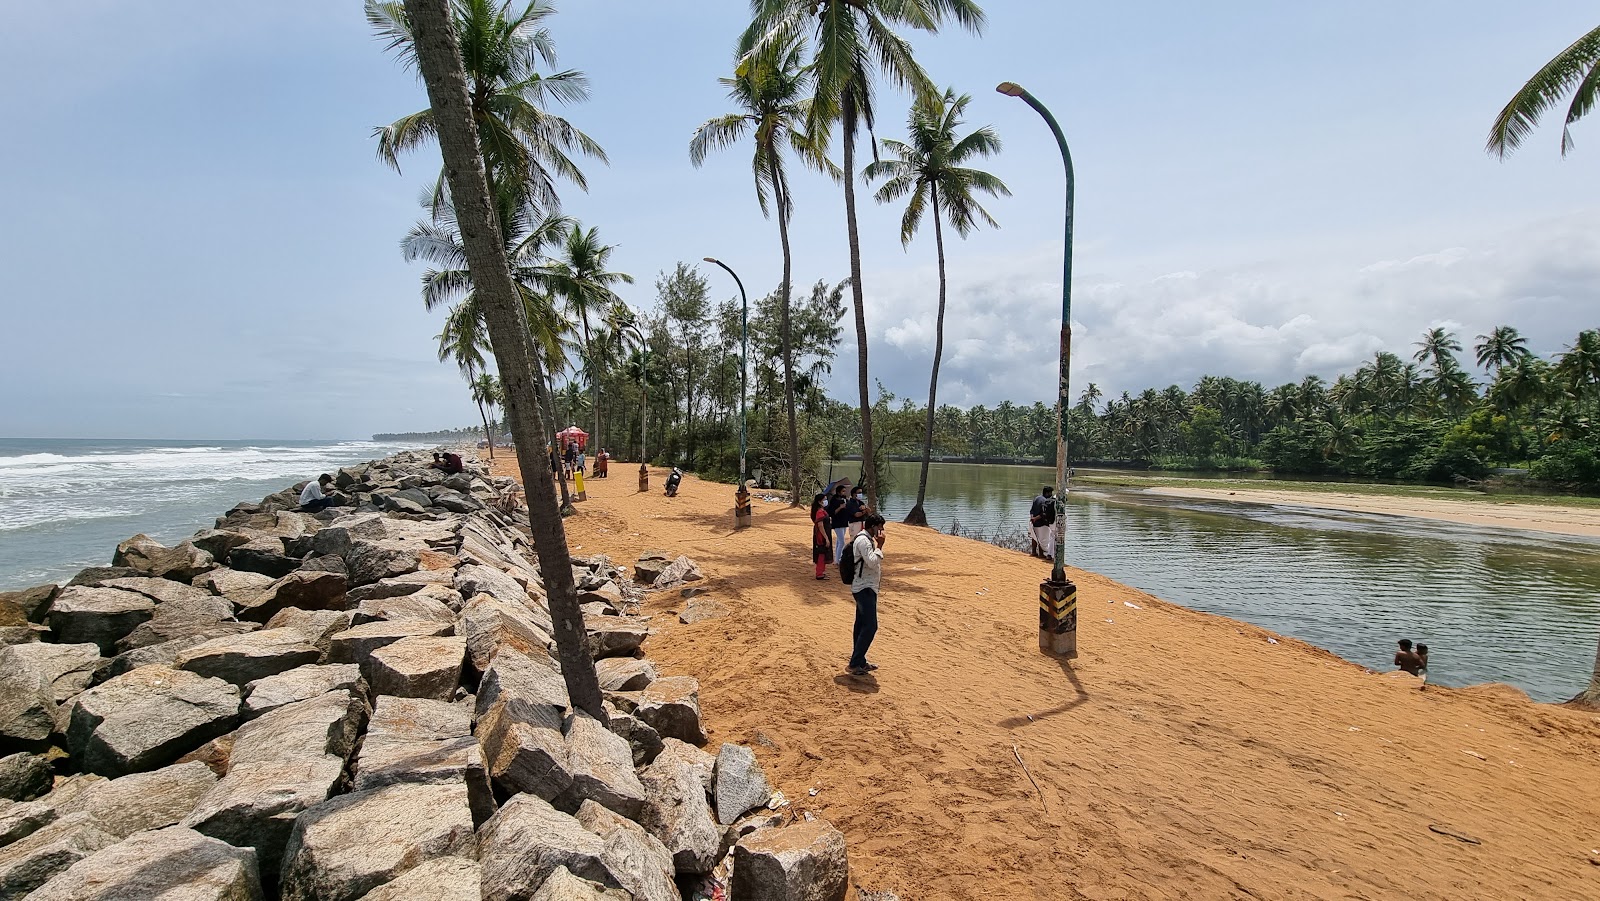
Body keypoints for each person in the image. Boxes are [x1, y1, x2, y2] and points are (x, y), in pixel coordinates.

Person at [846, 513, 887, 676]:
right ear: (873, 526)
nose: (882, 530)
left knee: (861, 625)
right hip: (864, 588)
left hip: (866, 586)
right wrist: (881, 546)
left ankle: (860, 660)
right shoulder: (863, 540)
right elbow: (871, 561)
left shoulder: (866, 539)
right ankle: (855, 663)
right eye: (880, 527)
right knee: (870, 626)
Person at [1029, 486, 1058, 561]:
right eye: (1050, 493)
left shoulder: (1036, 498)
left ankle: (1034, 552)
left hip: (1033, 522)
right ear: (1047, 493)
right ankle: (1041, 554)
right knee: (1043, 540)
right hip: (1042, 523)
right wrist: (1036, 518)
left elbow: (1031, 510)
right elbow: (1044, 513)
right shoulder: (1046, 501)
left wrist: (1032, 518)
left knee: (1034, 537)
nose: (1051, 494)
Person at [827, 483, 851, 564]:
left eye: (845, 491)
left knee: (838, 540)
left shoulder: (844, 499)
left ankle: (838, 557)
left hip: (844, 522)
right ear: (838, 492)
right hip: (837, 522)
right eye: (843, 491)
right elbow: (831, 512)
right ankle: (838, 560)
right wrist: (840, 507)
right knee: (842, 541)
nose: (844, 492)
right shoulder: (834, 500)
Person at [810, 493, 832, 580]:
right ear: (819, 502)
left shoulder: (822, 510)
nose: (826, 501)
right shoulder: (819, 512)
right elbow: (820, 526)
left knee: (823, 553)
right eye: (824, 499)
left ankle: (821, 572)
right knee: (821, 553)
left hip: (824, 533)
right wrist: (826, 538)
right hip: (821, 535)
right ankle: (819, 573)